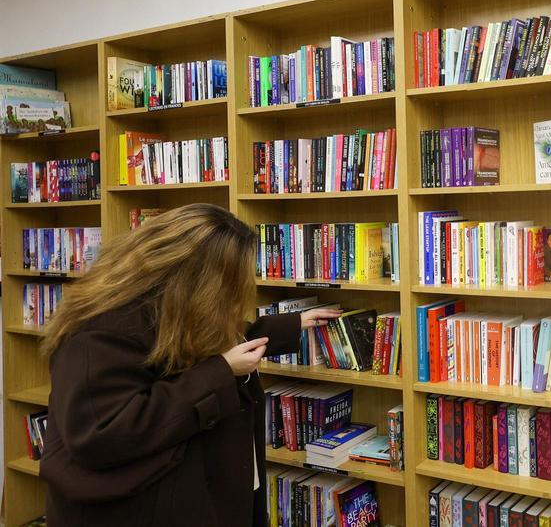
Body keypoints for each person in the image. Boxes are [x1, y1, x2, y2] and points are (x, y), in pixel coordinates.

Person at [38, 203, 340, 526]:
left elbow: (199, 339)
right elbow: (105, 433)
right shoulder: (97, 332)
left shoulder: (161, 304)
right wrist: (222, 372)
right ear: (196, 280)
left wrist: (289, 325)